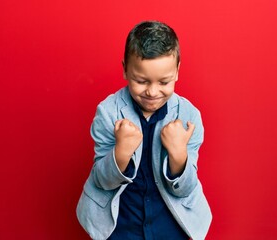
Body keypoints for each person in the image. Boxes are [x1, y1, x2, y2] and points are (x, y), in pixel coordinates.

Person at [76, 20, 212, 240]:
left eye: (164, 82)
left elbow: (185, 189)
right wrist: (121, 152)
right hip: (120, 225)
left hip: (170, 224)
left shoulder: (189, 117)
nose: (152, 92)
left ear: (177, 71)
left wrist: (178, 154)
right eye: (141, 81)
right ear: (125, 70)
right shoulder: (108, 112)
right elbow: (102, 180)